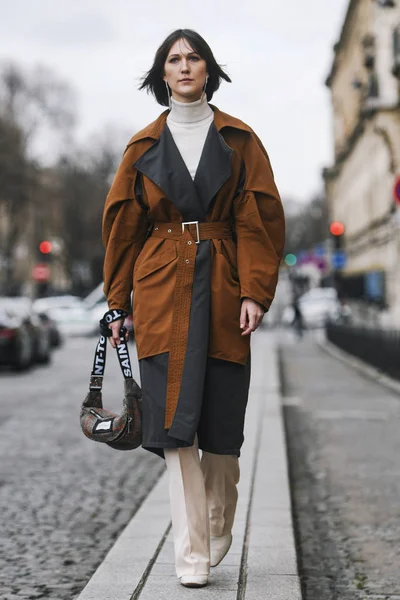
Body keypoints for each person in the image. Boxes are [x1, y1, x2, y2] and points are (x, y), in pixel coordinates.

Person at [102, 29, 285, 588]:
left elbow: (259, 218)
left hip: (225, 285)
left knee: (222, 430)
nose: (184, 67)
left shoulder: (240, 140)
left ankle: (216, 520)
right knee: (176, 430)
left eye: (193, 58)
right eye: (173, 60)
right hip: (160, 291)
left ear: (209, 68)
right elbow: (121, 228)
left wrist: (254, 289)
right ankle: (192, 553)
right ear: (162, 74)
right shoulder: (141, 147)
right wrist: (116, 304)